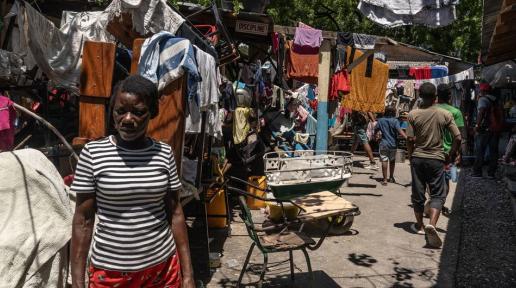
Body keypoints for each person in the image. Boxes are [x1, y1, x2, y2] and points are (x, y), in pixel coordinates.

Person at [71, 75, 195, 288]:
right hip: (110, 275)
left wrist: (188, 275)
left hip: (162, 271)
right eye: (120, 111)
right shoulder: (93, 154)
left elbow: (175, 213)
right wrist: (77, 282)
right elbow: (83, 220)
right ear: (113, 113)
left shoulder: (164, 154)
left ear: (152, 113)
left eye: (138, 112)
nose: (128, 119)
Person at [406, 83, 461, 248]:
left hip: (418, 158)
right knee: (438, 194)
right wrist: (451, 154)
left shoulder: (413, 114)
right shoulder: (445, 114)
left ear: (420, 96)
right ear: (435, 96)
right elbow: (458, 137)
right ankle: (432, 225)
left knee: (418, 193)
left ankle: (420, 226)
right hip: (437, 159)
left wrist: (410, 156)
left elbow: (409, 139)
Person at [436, 83, 465, 215]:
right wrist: (457, 153)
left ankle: (434, 202)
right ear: (450, 95)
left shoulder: (428, 109)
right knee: (446, 181)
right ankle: (439, 205)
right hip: (448, 153)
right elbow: (459, 137)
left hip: (430, 152)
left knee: (433, 180)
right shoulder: (455, 112)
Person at [472, 83, 501, 179]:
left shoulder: (483, 99)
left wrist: (477, 125)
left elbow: (481, 112)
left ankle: (477, 172)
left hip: (485, 129)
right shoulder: (496, 99)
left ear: (483, 91)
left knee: (480, 150)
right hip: (495, 128)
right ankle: (491, 173)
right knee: (493, 151)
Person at [374, 106, 407, 185]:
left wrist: (377, 136)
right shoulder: (395, 121)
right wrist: (406, 138)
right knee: (392, 161)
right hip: (393, 144)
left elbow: (375, 129)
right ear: (393, 112)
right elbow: (400, 131)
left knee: (384, 160)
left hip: (383, 144)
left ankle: (385, 180)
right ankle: (391, 177)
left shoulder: (380, 120)